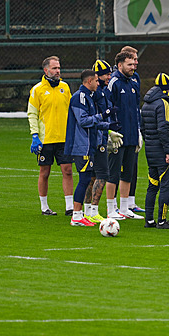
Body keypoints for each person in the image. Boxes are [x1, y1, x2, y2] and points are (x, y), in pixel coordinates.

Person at [28, 56, 73, 217]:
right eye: (54, 68)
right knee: (44, 172)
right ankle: (44, 206)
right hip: (45, 139)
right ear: (46, 70)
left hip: (64, 138)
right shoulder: (37, 89)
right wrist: (35, 135)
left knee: (67, 170)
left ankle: (70, 206)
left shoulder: (65, 87)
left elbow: (71, 111)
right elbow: (32, 114)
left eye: (59, 67)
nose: (58, 71)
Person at [64, 70, 110, 226]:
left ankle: (80, 215)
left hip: (88, 144)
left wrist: (108, 126)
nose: (99, 84)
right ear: (89, 81)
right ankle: (76, 216)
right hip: (81, 146)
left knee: (87, 178)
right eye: (96, 81)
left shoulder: (88, 97)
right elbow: (83, 121)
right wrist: (102, 116)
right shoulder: (80, 97)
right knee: (84, 179)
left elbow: (92, 122)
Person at [107, 51, 143, 220]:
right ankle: (110, 208)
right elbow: (107, 108)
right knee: (113, 172)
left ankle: (124, 207)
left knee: (128, 172)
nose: (133, 67)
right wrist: (109, 131)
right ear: (120, 65)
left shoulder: (134, 82)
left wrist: (138, 131)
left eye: (134, 64)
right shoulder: (113, 82)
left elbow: (136, 109)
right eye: (129, 64)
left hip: (131, 134)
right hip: (117, 135)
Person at [141, 73, 169, 229]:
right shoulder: (162, 104)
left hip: (150, 150)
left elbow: (143, 128)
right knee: (165, 186)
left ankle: (149, 220)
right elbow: (163, 129)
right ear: (166, 88)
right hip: (162, 151)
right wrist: (168, 151)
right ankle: (162, 221)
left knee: (152, 186)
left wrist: (149, 143)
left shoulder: (146, 103)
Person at [85, 59, 119, 222]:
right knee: (102, 174)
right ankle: (93, 211)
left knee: (91, 175)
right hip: (97, 137)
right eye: (106, 74)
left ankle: (87, 211)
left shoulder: (103, 91)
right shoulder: (97, 93)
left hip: (99, 135)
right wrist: (108, 129)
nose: (109, 76)